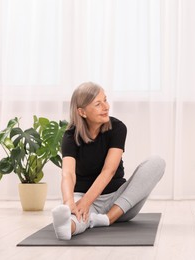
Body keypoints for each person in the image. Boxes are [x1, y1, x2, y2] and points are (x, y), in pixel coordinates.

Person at [51, 82, 165, 240]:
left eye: (105, 100)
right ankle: (67, 227)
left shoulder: (117, 128)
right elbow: (68, 174)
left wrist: (86, 202)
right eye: (98, 104)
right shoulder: (70, 136)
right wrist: (69, 202)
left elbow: (109, 171)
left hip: (120, 202)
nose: (106, 107)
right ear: (82, 112)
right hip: (83, 196)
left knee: (156, 162)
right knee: (78, 217)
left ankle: (106, 219)